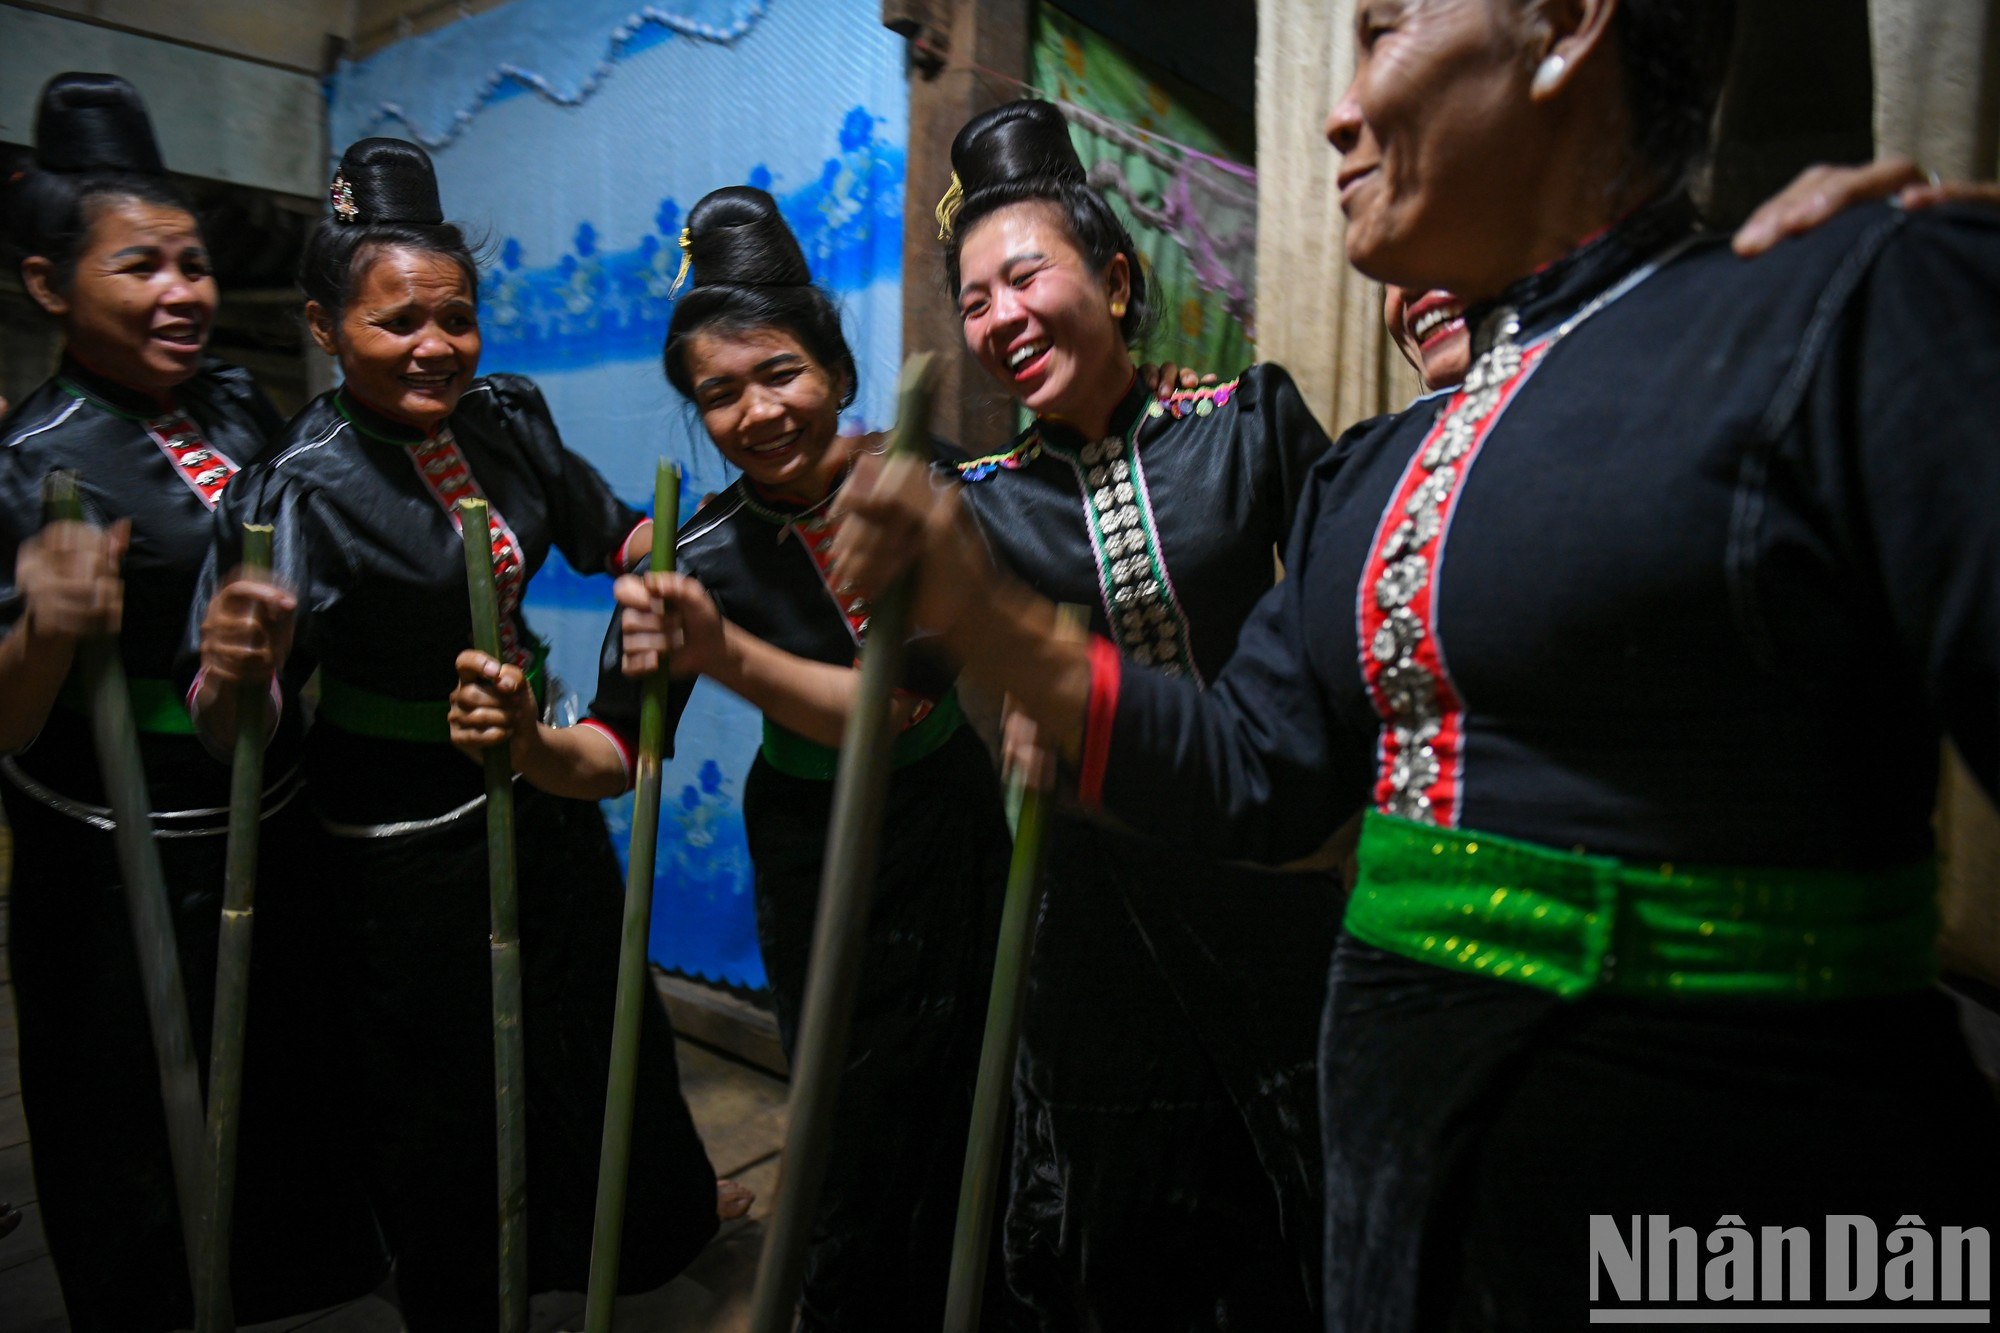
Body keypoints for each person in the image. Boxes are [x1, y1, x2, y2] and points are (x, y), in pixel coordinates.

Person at [830, 0, 2000, 1326]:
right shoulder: (1370, 480)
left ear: (1565, 26)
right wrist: (994, 629)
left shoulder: (1852, 306)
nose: (1339, 110)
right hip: (1412, 1244)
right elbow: (1256, 772)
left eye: (1384, 32)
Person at [451, 185, 1015, 1332]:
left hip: (948, 821)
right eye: (719, 393)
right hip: (812, 850)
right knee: (850, 1112)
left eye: (779, 374)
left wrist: (726, 652)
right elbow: (612, 751)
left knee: (980, 1088)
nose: (757, 412)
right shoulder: (693, 552)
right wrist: (525, 744)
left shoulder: (923, 485)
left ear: (837, 373)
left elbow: (898, 709)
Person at [189, 137, 719, 1328]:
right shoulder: (293, 488)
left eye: (456, 316)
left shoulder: (505, 420)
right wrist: (240, 669)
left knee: (581, 1038)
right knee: (445, 1097)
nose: (435, 345)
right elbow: (232, 720)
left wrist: (716, 548)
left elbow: (612, 533)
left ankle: (598, 1260)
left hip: (537, 786)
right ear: (327, 329)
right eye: (395, 324)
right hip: (395, 845)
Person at [906, 99, 1344, 1330]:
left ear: (1109, 273)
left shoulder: (1246, 426)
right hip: (1094, 908)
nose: (998, 320)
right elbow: (906, 680)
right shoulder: (979, 501)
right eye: (973, 300)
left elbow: (1335, 643)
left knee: (1296, 1204)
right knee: (1120, 1227)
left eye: (1022, 276)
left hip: (1266, 875)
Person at [0, 73, 385, 1331]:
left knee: (283, 1106)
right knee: (137, 1138)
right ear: (50, 285)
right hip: (120, 865)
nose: (183, 293)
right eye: (139, 268)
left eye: (193, 263)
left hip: (267, 808)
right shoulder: (30, 460)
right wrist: (50, 630)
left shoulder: (229, 395)